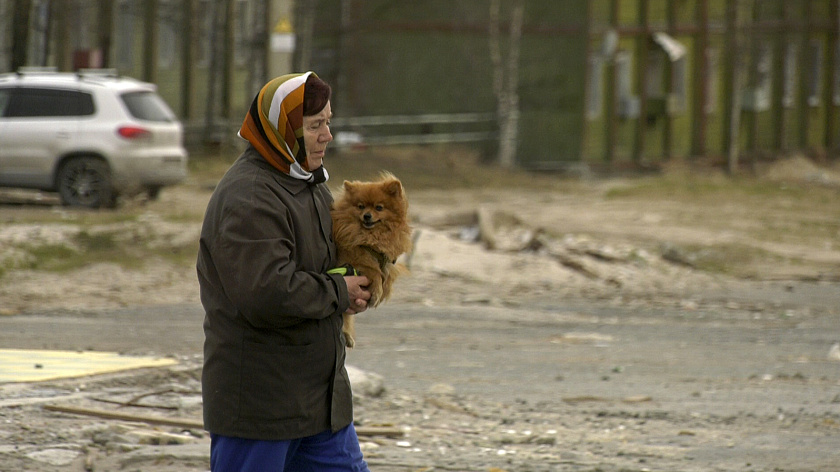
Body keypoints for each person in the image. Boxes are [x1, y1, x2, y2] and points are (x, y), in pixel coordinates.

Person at [196, 72, 372, 471]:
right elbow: (267, 294)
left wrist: (363, 278)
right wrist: (338, 292)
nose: (327, 135)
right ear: (283, 131)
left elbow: (324, 268)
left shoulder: (307, 184)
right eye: (314, 126)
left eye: (329, 121)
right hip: (260, 410)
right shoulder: (251, 196)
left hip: (319, 407)